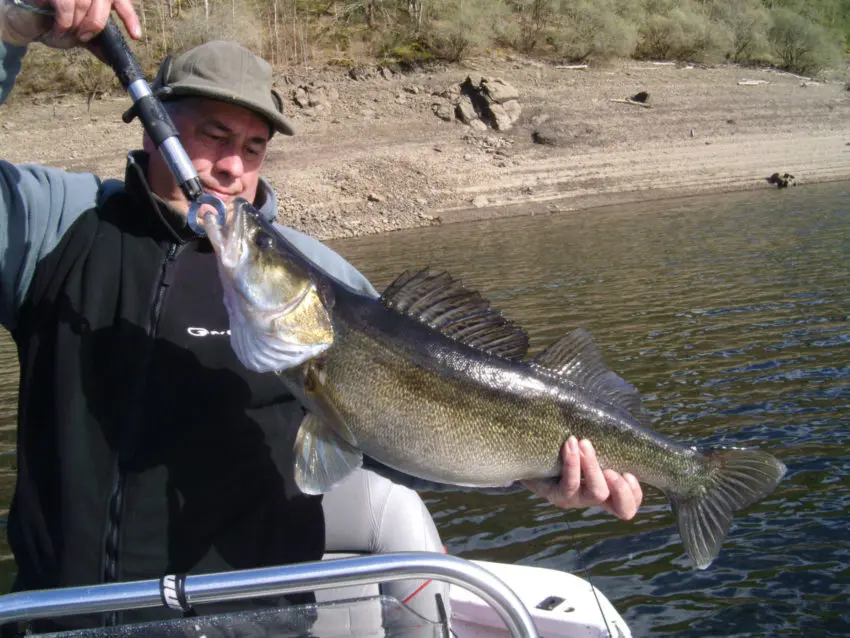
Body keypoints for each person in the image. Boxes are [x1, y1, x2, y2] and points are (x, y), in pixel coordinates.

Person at [0, 0, 643, 632]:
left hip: (259, 619)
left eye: (254, 147)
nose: (233, 168)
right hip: (60, 617)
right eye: (213, 136)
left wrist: (533, 476)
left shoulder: (324, 280)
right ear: (153, 123)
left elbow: (396, 442)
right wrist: (6, 29)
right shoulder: (57, 223)